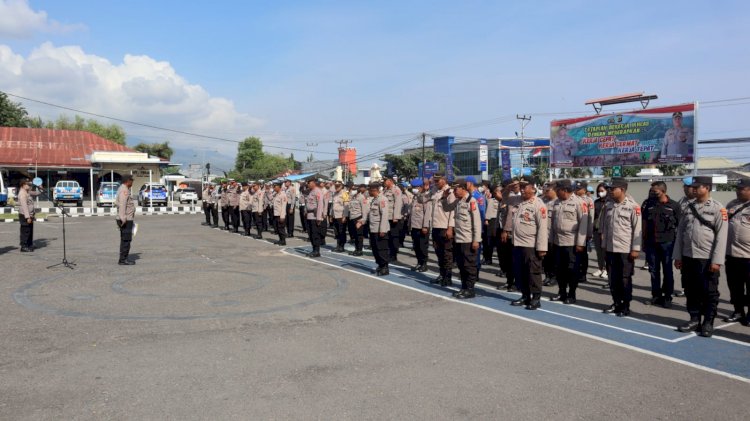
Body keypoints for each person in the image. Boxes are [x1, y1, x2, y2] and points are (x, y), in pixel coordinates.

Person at [674, 176, 728, 337]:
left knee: (709, 292)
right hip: (688, 256)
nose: (694, 189)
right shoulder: (688, 207)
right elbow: (680, 233)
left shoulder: (718, 208)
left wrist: (717, 261)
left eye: (698, 187)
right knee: (691, 290)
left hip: (707, 258)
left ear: (707, 188)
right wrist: (678, 256)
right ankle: (694, 318)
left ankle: (708, 322)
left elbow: (722, 236)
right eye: (693, 187)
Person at [503, 177, 548, 310]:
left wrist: (541, 248)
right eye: (521, 187)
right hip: (517, 243)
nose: (522, 190)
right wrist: (509, 187)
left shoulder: (538, 205)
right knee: (519, 271)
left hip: (531, 245)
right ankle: (524, 295)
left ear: (533, 189)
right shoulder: (517, 200)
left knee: (532, 272)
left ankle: (536, 298)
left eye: (525, 187)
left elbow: (542, 228)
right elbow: (503, 198)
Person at [600, 178, 641, 317]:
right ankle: (616, 302)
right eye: (609, 189)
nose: (610, 191)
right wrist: (604, 245)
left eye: (613, 189)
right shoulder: (609, 205)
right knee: (612, 278)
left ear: (622, 190)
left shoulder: (633, 206)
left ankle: (625, 305)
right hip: (611, 248)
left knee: (624, 279)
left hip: (625, 249)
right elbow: (604, 226)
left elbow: (637, 229)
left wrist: (635, 249)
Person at [641, 181, 680, 308]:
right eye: (651, 190)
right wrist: (643, 241)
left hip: (668, 243)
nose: (652, 192)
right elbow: (645, 223)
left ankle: (667, 296)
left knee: (668, 271)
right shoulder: (649, 204)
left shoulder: (674, 205)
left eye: (655, 191)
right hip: (652, 243)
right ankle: (656, 296)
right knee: (653, 271)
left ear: (663, 191)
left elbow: (680, 226)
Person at [442, 179, 482, 299]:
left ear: (463, 189)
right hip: (459, 239)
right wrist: (444, 198)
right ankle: (464, 287)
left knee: (469, 265)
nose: (454, 191)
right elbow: (447, 208)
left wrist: (476, 240)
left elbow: (477, 223)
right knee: (461, 265)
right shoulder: (458, 202)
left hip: (468, 240)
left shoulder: (471, 201)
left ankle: (470, 289)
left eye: (456, 189)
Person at [549, 180, 588, 304]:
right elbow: (552, 223)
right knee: (559, 269)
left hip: (572, 242)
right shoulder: (556, 202)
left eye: (557, 189)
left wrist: (580, 243)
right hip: (558, 242)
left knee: (572, 270)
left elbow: (583, 224)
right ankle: (561, 293)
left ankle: (571, 294)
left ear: (564, 190)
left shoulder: (579, 203)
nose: (555, 192)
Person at [724, 177, 750, 325]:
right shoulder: (731, 205)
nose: (738, 191)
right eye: (737, 189)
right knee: (735, 286)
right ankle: (738, 311)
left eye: (742, 189)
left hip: (748, 255)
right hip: (731, 254)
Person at [425, 175, 455, 286]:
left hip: (445, 227)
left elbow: (452, 211)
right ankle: (442, 274)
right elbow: (422, 199)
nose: (436, 182)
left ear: (444, 179)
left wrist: (450, 228)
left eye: (438, 180)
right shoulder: (434, 191)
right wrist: (426, 188)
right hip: (435, 226)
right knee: (439, 253)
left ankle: (448, 277)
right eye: (435, 181)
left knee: (447, 254)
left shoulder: (450, 192)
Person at [359, 183, 390, 275]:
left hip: (380, 229)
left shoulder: (382, 199)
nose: (368, 192)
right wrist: (362, 221)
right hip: (373, 228)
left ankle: (385, 267)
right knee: (375, 249)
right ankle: (380, 265)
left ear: (374, 190)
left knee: (382, 249)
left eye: (370, 190)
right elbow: (369, 214)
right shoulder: (374, 200)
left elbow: (384, 215)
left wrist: (382, 230)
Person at [574, 181, 594, 284]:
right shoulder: (573, 198)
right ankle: (575, 273)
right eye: (576, 188)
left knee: (583, 255)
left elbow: (590, 218)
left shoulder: (588, 200)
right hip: (574, 232)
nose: (577, 190)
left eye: (579, 188)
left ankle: (583, 274)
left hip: (584, 232)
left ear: (584, 190)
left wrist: (589, 233)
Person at [408, 179, 430, 272]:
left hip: (422, 227)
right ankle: (419, 263)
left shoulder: (425, 198)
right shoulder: (414, 197)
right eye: (413, 187)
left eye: (416, 187)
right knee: (416, 246)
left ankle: (424, 264)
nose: (414, 189)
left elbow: (427, 213)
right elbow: (412, 213)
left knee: (422, 247)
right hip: (414, 226)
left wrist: (425, 226)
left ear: (420, 187)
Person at [115, 175, 136, 265]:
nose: (132, 183)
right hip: (126, 219)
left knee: (125, 239)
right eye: (132, 181)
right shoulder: (124, 190)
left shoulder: (123, 189)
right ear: (128, 181)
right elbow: (122, 205)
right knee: (126, 240)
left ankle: (123, 258)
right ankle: (123, 260)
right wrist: (123, 219)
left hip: (126, 218)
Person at [383, 177, 404, 263]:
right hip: (386, 217)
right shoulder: (385, 190)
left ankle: (393, 255)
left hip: (393, 218)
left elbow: (398, 203)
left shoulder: (396, 190)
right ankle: (389, 253)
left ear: (390, 181)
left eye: (385, 181)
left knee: (394, 237)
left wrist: (396, 216)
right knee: (387, 236)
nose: (384, 182)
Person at [17, 179, 42, 252]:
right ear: (23, 185)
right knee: (25, 231)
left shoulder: (27, 192)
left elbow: (36, 193)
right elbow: (24, 206)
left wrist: (41, 188)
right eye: (28, 184)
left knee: (30, 230)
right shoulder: (22, 194)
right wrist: (27, 217)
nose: (29, 186)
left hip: (30, 215)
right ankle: (24, 246)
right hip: (25, 215)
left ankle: (29, 244)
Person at [542, 182, 558, 286]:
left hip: (553, 235)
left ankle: (554, 277)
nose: (546, 192)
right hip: (543, 235)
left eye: (548, 190)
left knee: (554, 258)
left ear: (554, 191)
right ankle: (547, 275)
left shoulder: (558, 202)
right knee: (545, 258)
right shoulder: (543, 201)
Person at [305, 179, 326, 258]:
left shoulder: (318, 191)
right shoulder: (311, 191)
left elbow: (320, 204)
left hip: (314, 216)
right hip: (309, 215)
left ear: (314, 183)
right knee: (311, 234)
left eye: (309, 183)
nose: (308, 184)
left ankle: (317, 251)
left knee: (315, 234)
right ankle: (314, 249)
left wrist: (318, 217)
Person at [592, 183, 609, 280]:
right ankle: (600, 268)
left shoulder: (609, 202)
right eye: (599, 191)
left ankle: (606, 269)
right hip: (596, 229)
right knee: (598, 251)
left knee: (605, 251)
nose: (600, 192)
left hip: (606, 230)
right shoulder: (596, 202)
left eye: (602, 190)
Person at [347, 184, 368, 256]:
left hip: (359, 217)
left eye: (354, 190)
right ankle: (356, 249)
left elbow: (364, 209)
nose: (352, 191)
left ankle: (359, 250)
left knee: (359, 235)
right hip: (352, 217)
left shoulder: (361, 197)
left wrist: (363, 220)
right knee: (355, 235)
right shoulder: (353, 197)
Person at [329, 181, 348, 252]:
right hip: (335, 215)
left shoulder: (344, 194)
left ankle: (342, 246)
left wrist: (345, 216)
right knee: (336, 231)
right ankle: (338, 245)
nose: (336, 187)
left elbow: (346, 206)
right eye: (335, 186)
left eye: (338, 186)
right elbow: (332, 206)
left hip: (341, 215)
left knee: (341, 231)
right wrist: (330, 215)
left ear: (341, 186)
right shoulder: (334, 194)